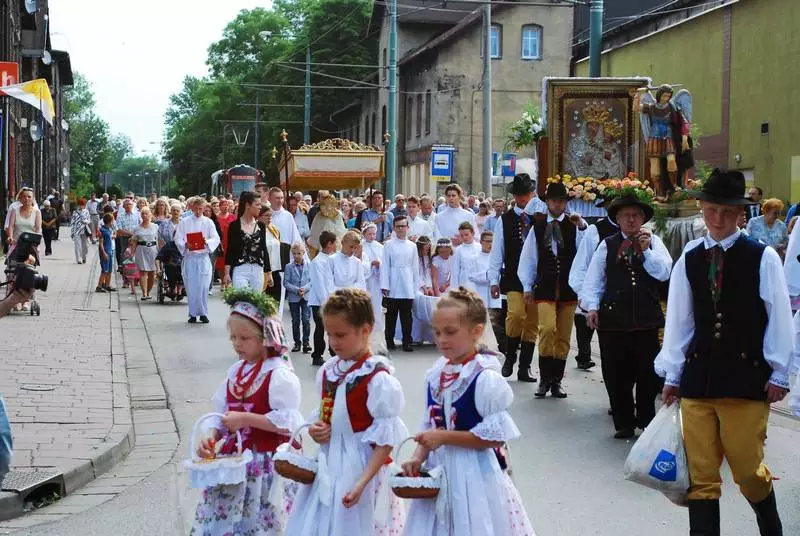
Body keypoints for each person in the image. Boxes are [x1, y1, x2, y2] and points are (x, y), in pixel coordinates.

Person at [655, 169, 791, 535]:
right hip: (699, 379)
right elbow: (680, 320)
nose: (718, 219)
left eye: (727, 212)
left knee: (748, 471)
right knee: (701, 476)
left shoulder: (761, 257)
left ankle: (770, 524)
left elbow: (778, 314)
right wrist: (673, 373)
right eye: (712, 210)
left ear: (740, 215)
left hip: (746, 378)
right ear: (702, 208)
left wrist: (779, 371)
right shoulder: (690, 257)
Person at [401, 287, 534, 536]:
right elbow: (431, 425)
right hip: (439, 472)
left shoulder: (484, 379)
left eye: (450, 332)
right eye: (437, 332)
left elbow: (494, 437)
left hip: (475, 476)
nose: (441, 340)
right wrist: (418, 457)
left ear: (476, 331)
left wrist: (444, 438)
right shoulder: (436, 374)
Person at [285, 288, 407, 536]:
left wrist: (362, 482)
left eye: (341, 334)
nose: (334, 342)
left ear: (365, 330)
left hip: (362, 468)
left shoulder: (378, 379)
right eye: (330, 334)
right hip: (330, 465)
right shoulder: (330, 370)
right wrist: (317, 429)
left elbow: (386, 441)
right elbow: (323, 414)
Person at [192, 287, 303, 535]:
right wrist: (212, 438)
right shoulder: (236, 372)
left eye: (244, 338)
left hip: (265, 467)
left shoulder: (278, 375)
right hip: (234, 464)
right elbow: (223, 415)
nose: (237, 344)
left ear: (264, 338)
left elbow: (287, 424)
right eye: (233, 338)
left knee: (261, 523)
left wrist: (245, 419)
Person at [583, 194, 673, 439]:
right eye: (626, 216)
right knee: (616, 373)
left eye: (635, 216)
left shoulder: (654, 242)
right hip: (613, 320)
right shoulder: (607, 244)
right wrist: (591, 307)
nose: (631, 220)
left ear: (642, 218)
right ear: (618, 219)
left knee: (648, 373)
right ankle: (623, 421)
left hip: (646, 318)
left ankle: (646, 419)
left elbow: (664, 272)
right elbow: (594, 278)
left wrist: (646, 252)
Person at [519, 181, 588, 398]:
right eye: (553, 201)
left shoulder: (574, 224)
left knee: (564, 336)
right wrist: (527, 286)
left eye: (561, 201)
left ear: (565, 203)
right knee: (547, 329)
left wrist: (582, 226)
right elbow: (529, 258)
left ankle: (557, 381)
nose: (557, 204)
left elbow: (587, 249)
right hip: (545, 287)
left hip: (568, 289)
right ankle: (544, 379)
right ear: (547, 202)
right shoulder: (538, 227)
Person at [489, 174, 539, 382]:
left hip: (537, 277)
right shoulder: (506, 219)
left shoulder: (540, 217)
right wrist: (493, 279)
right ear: (515, 196)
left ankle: (525, 366)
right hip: (513, 276)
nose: (523, 199)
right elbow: (497, 250)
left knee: (532, 323)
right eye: (519, 195)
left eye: (526, 195)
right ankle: (510, 357)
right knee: (516, 315)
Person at [568, 198, 619, 372]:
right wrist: (584, 294)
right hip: (598, 289)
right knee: (586, 323)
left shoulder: (640, 231)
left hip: (622, 298)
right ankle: (584, 355)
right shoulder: (596, 230)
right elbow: (582, 263)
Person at [175, 197, 220, 324]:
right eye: (196, 208)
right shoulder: (184, 222)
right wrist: (185, 244)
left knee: (204, 286)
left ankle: (204, 313)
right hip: (190, 258)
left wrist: (207, 242)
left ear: (204, 208)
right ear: (192, 208)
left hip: (203, 258)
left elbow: (215, 238)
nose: (199, 211)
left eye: (201, 209)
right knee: (192, 287)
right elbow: (178, 237)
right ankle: (193, 314)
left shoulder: (208, 222)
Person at [381, 216, 423, 352]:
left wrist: (417, 285)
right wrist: (385, 285)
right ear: (393, 228)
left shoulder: (412, 246)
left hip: (407, 283)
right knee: (391, 315)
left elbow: (415, 267)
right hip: (393, 281)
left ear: (407, 228)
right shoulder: (388, 245)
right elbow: (385, 265)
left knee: (406, 315)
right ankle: (389, 340)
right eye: (398, 226)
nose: (400, 229)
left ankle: (407, 341)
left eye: (403, 226)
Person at [225, 191, 272, 292]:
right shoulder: (234, 225)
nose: (260, 207)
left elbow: (264, 248)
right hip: (240, 269)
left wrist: (269, 273)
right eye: (257, 204)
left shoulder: (261, 226)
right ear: (248, 205)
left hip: (258, 270)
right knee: (242, 302)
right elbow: (230, 250)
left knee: (256, 303)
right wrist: (226, 273)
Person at [308, 230, 338, 366]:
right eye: (335, 243)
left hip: (332, 299)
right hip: (319, 302)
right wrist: (326, 301)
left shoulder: (333, 259)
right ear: (329, 244)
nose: (336, 245)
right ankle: (317, 354)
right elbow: (319, 284)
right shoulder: (317, 262)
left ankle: (334, 351)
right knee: (320, 327)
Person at [283, 242, 312, 354]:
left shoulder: (309, 265)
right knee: (295, 320)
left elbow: (312, 281)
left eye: (299, 253)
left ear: (303, 253)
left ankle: (306, 342)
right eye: (294, 254)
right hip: (294, 297)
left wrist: (304, 289)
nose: (296, 256)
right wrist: (296, 290)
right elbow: (286, 282)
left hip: (306, 296)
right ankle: (297, 343)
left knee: (306, 319)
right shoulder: (289, 267)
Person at [131, 207, 159, 301]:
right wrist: (132, 253)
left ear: (150, 215)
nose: (144, 215)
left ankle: (148, 291)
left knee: (152, 273)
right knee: (143, 272)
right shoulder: (137, 228)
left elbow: (158, 240)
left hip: (153, 250)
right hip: (141, 250)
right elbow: (134, 241)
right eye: (143, 214)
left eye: (146, 213)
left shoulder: (155, 227)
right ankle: (144, 293)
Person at [260, 206, 285, 305]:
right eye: (266, 215)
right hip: (263, 271)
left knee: (275, 303)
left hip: (275, 269)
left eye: (271, 215)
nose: (269, 218)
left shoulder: (274, 230)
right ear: (259, 216)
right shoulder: (256, 230)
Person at [361, 222, 385, 329]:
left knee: (376, 301)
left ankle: (376, 324)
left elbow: (384, 260)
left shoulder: (379, 246)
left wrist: (379, 263)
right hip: (365, 278)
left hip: (376, 277)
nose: (372, 236)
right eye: (369, 234)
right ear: (364, 233)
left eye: (374, 234)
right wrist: (369, 264)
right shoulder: (361, 246)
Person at [115, 199, 142, 289]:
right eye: (126, 205)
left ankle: (136, 279)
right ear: (123, 206)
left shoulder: (137, 215)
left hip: (136, 239)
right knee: (125, 259)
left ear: (133, 205)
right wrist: (131, 234)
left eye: (130, 204)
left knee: (136, 258)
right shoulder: (120, 216)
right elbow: (119, 229)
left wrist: (135, 235)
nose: (128, 206)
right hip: (125, 239)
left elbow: (141, 225)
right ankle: (125, 281)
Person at [450, 221, 482, 289]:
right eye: (461, 235)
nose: (464, 237)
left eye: (466, 234)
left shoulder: (480, 247)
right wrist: (455, 289)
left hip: (478, 283)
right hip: (464, 283)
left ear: (473, 233)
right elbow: (455, 271)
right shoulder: (458, 250)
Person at [96, 213, 116, 293]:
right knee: (104, 270)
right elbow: (100, 243)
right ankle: (99, 286)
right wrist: (104, 253)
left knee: (110, 270)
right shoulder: (103, 230)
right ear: (110, 221)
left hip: (110, 251)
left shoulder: (108, 229)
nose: (113, 222)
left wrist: (112, 236)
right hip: (105, 252)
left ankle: (107, 284)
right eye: (113, 220)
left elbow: (108, 237)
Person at [70, 198, 91, 264]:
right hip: (77, 230)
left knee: (85, 245)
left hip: (84, 230)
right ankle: (79, 259)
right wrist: (72, 232)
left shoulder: (86, 211)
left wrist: (85, 221)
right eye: (80, 205)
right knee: (77, 245)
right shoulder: (75, 212)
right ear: (78, 205)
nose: (81, 206)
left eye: (83, 205)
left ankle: (84, 257)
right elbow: (72, 223)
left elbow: (89, 220)